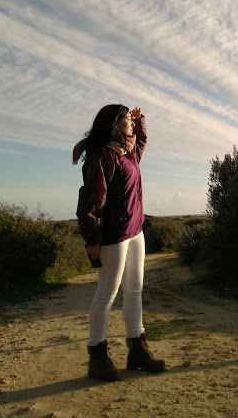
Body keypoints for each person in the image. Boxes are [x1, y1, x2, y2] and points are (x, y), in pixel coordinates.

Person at [73, 104, 165, 381]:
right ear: (115, 125)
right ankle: (97, 356)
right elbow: (89, 205)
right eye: (127, 119)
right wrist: (92, 241)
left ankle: (137, 349)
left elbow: (142, 140)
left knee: (134, 292)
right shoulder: (103, 158)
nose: (130, 122)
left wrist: (140, 122)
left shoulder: (128, 153)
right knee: (106, 294)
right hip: (113, 236)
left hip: (136, 232)